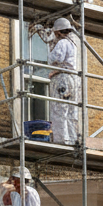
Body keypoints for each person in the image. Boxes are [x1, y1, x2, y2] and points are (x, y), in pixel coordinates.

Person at [30, 17, 79, 145]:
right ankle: (72, 139)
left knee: (59, 109)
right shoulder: (74, 44)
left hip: (62, 79)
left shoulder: (62, 43)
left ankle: (61, 140)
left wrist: (51, 50)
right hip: (73, 79)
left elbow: (56, 58)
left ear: (57, 32)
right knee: (71, 112)